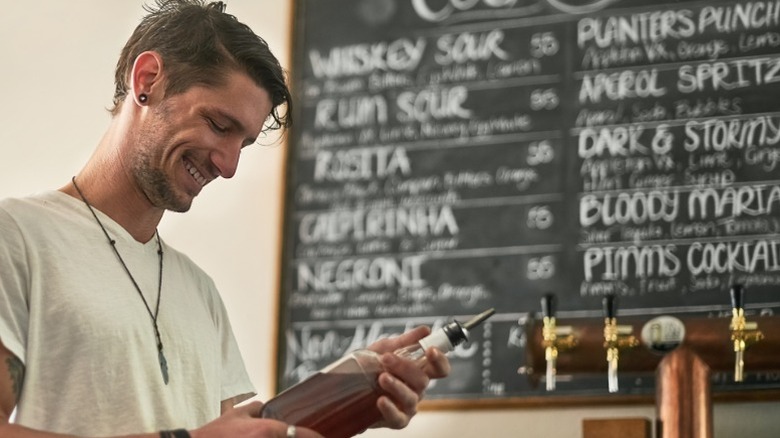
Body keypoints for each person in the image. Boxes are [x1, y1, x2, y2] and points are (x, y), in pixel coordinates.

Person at [0, 1, 451, 437]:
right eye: (219, 124)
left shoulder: (200, 293)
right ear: (148, 80)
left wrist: (351, 395)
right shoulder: (17, 237)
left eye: (244, 143)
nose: (229, 165)